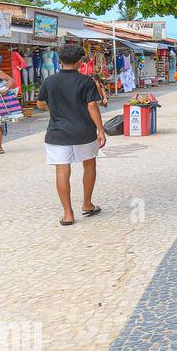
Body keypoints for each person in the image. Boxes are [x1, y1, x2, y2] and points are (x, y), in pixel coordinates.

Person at [36, 44, 107, 225]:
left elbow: (40, 104)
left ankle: (68, 214)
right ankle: (87, 203)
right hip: (84, 131)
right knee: (89, 164)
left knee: (62, 170)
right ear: (80, 62)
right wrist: (101, 130)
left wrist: (53, 105)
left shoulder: (49, 81)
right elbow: (92, 106)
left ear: (60, 61)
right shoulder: (86, 81)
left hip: (57, 133)